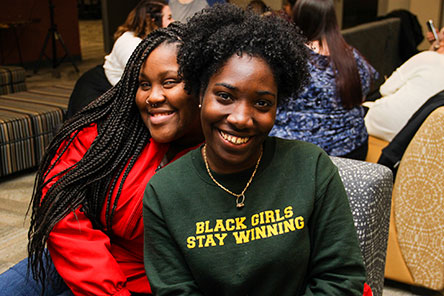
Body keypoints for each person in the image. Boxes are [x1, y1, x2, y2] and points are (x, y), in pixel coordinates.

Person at [143, 4, 367, 295]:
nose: (240, 118)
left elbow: (340, 279)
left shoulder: (311, 168)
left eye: (262, 103)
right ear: (200, 93)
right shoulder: (165, 192)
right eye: (225, 96)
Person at [0, 23, 203, 296]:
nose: (152, 97)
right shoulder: (115, 127)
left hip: (145, 283)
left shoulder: (219, 153)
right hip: (75, 259)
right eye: (143, 84)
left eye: (169, 82)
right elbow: (59, 200)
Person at [269, 0, 378, 160]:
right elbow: (366, 88)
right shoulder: (352, 56)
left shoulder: (290, 56)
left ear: (299, 19)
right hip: (353, 148)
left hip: (300, 152)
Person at [66, 0, 174, 119]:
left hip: (118, 89)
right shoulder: (129, 42)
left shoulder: (152, 41)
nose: (173, 22)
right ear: (154, 21)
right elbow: (147, 77)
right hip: (97, 87)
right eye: (169, 17)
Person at [364, 27, 444, 142]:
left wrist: (432, 51)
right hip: (415, 138)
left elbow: (385, 90)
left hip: (383, 124)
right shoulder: (430, 57)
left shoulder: (427, 57)